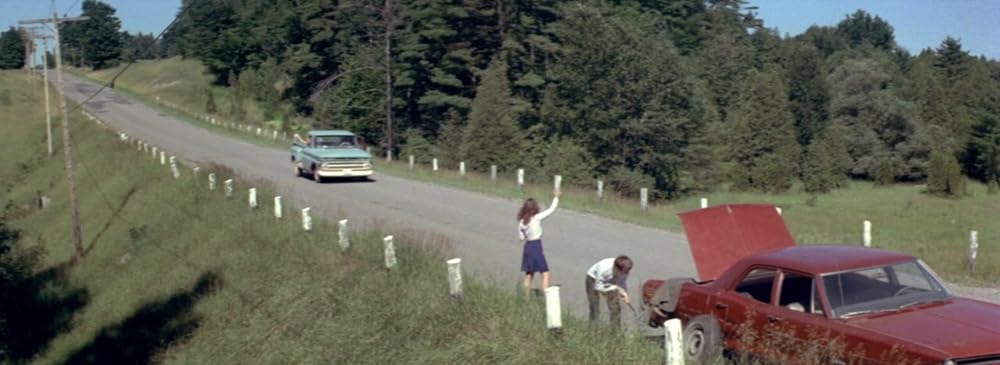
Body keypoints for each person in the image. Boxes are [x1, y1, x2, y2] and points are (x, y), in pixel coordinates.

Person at [517, 189, 561, 296]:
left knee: (529, 274)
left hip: (527, 247)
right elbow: (551, 209)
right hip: (536, 246)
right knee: (545, 274)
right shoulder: (536, 218)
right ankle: (545, 296)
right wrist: (556, 197)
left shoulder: (522, 222)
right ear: (535, 208)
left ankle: (525, 298)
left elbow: (521, 238)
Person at [585, 255, 633, 328]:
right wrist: (616, 288)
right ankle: (592, 332)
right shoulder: (604, 270)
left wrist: (625, 294)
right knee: (594, 308)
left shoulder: (625, 271)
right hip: (594, 279)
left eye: (627, 271)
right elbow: (598, 287)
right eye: (625, 272)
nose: (627, 274)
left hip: (612, 280)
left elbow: (622, 282)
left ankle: (615, 333)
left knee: (616, 309)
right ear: (616, 268)